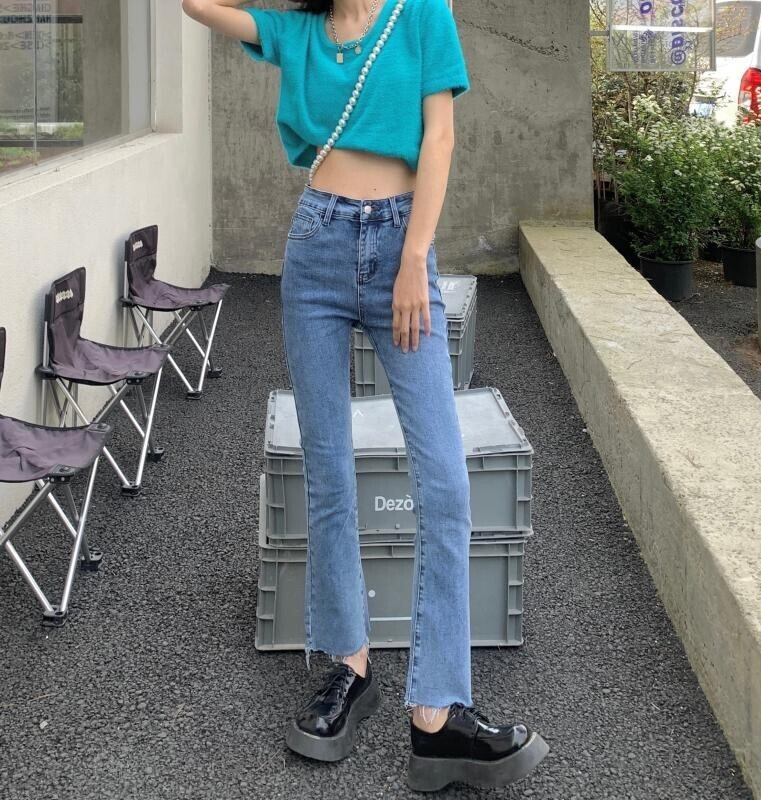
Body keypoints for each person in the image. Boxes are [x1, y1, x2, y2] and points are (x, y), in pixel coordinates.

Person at [181, 0, 549, 790]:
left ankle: (438, 711)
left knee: (445, 482)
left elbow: (440, 137)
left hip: (400, 247)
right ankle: (349, 666)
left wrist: (415, 257)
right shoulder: (297, 33)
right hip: (315, 247)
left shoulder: (421, 14)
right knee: (328, 472)